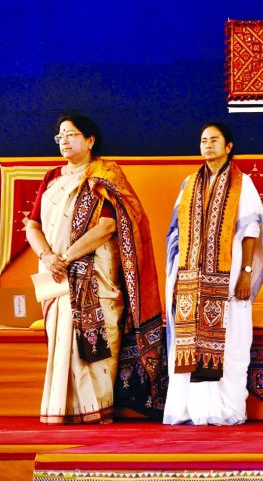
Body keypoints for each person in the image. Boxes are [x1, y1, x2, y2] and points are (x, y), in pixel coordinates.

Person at [24, 114, 167, 424]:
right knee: (62, 342)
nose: (64, 140)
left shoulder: (105, 175)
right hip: (57, 276)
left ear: (89, 140)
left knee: (96, 341)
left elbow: (107, 226)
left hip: (94, 276)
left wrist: (67, 255)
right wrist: (49, 256)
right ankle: (63, 410)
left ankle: (96, 411)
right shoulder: (52, 179)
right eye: (60, 135)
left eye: (71, 134)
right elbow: (32, 226)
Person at [163, 123, 263, 425]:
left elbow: (251, 231)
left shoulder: (242, 184)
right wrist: (175, 274)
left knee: (232, 341)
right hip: (189, 279)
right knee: (188, 345)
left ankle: (224, 411)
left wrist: (247, 273)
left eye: (214, 140)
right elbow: (175, 232)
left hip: (230, 276)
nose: (207, 145)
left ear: (229, 146)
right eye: (203, 140)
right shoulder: (188, 184)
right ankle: (190, 411)